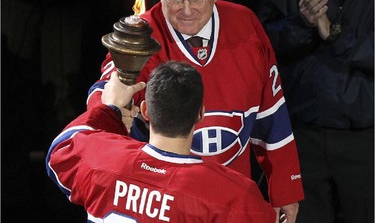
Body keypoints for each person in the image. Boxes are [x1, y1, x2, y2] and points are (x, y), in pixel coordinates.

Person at [87, 0, 304, 221]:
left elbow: (270, 112)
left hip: (232, 201)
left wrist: (285, 187)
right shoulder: (137, 41)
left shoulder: (245, 24)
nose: (186, 10)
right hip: (165, 204)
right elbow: (103, 102)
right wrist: (107, 102)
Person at [46, 61, 277, 222]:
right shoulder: (233, 194)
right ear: (200, 113)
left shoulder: (101, 160)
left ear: (145, 111)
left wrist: (109, 111)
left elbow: (63, 145)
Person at [257, 0, 374, 222]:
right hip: (300, 135)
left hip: (366, 139)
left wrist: (335, 34)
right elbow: (263, 40)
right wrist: (303, 23)